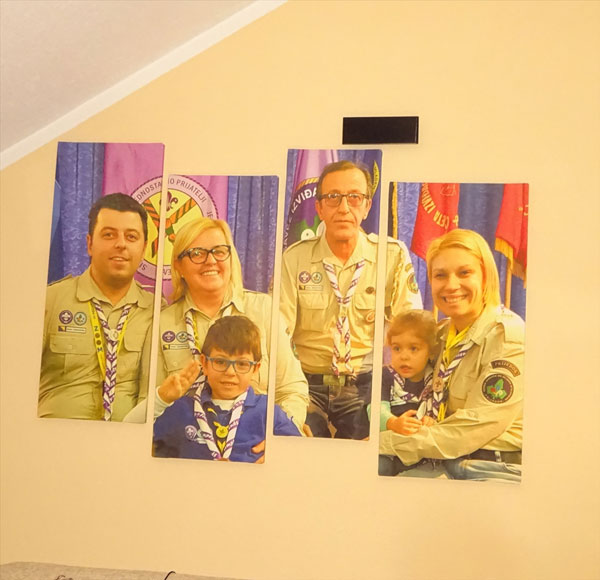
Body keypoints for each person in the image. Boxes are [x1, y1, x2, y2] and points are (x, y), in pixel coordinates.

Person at [280, 160, 422, 439]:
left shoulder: (390, 255)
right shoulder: (295, 258)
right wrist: (287, 396)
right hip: (306, 383)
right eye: (333, 197)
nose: (344, 208)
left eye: (354, 197)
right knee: (299, 442)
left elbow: (411, 326)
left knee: (364, 451)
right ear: (319, 208)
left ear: (367, 206)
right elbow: (280, 332)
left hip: (365, 385)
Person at [379, 229, 524, 481]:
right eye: (440, 275)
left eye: (464, 273)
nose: (451, 285)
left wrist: (385, 443)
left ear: (486, 277)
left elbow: (472, 430)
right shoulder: (441, 335)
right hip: (439, 458)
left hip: (488, 466)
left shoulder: (507, 337)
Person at [155, 217, 309, 442]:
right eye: (197, 253)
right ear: (178, 265)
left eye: (219, 251)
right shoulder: (162, 323)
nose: (210, 261)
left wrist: (279, 436)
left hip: (254, 445)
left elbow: (291, 389)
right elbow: (152, 402)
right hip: (188, 446)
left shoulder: (264, 310)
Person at [38, 193, 154, 421]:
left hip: (124, 438)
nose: (120, 244)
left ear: (143, 249)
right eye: (109, 235)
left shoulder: (155, 311)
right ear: (90, 244)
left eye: (131, 237)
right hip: (53, 436)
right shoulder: (49, 301)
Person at [153, 316, 300, 461]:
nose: (230, 372)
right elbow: (149, 451)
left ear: (255, 368)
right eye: (220, 362)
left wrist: (279, 454)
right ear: (204, 363)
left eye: (242, 364)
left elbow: (298, 453)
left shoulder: (269, 413)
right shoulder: (180, 410)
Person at [373, 309, 438, 476]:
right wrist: (393, 423)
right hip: (388, 450)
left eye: (414, 349)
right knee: (379, 467)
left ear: (431, 351)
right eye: (396, 348)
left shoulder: (436, 380)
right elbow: (374, 409)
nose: (404, 356)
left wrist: (431, 421)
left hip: (420, 451)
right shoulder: (386, 375)